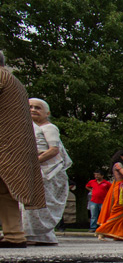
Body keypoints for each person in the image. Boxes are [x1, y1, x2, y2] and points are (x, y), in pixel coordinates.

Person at [0, 51, 46, 248]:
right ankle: (14, 234)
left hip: (4, 142)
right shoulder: (12, 80)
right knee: (4, 190)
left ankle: (14, 234)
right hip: (14, 144)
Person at [21, 98, 72, 245]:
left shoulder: (49, 128)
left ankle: (38, 235)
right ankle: (29, 234)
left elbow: (54, 150)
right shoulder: (26, 127)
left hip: (47, 173)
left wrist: (32, 163)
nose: (33, 110)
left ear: (47, 113)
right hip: (32, 171)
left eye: (38, 108)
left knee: (39, 204)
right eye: (30, 107)